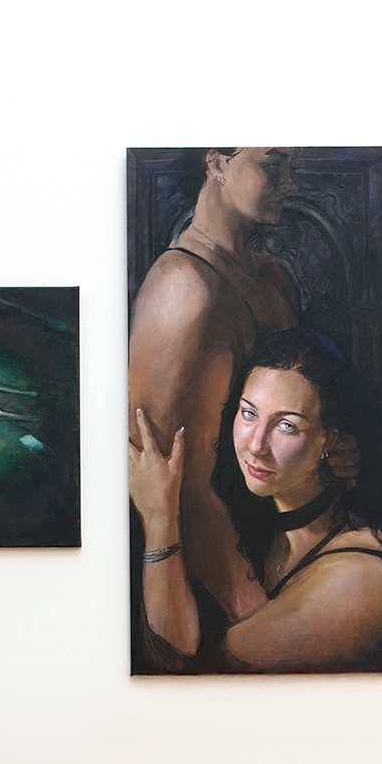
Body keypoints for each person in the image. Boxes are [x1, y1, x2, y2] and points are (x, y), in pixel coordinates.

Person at [128, 330, 382, 673]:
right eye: (249, 413)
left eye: (286, 426)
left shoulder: (358, 581)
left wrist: (159, 518)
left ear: (329, 441)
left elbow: (185, 669)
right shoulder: (264, 523)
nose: (256, 445)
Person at [128, 149, 300, 619]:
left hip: (296, 545)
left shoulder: (274, 277)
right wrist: (254, 617)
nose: (290, 183)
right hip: (231, 578)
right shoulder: (184, 291)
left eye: (293, 167)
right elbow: (184, 488)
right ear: (217, 163)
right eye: (273, 165)